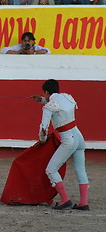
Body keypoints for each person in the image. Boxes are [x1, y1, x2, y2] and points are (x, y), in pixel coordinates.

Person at [31, 79, 89, 210]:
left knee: (51, 169)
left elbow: (44, 128)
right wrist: (41, 99)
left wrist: (42, 139)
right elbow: (58, 104)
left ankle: (65, 199)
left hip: (68, 140)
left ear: (46, 91)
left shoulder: (48, 108)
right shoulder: (67, 97)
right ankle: (84, 203)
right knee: (80, 170)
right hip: (79, 137)